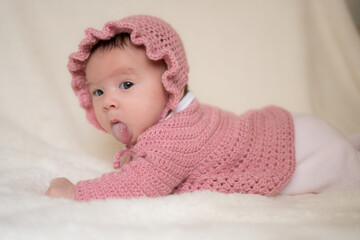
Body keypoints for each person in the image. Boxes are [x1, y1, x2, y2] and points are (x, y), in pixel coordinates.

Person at [46, 15, 360, 201]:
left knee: (346, 174)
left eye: (126, 85)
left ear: (170, 82)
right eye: (97, 91)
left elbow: (141, 183)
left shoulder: (177, 137)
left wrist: (78, 192)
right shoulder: (171, 124)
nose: (107, 102)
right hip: (294, 130)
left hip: (298, 148)